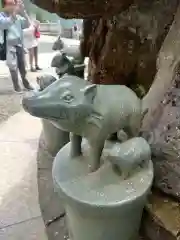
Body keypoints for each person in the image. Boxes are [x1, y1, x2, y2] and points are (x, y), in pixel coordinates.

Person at [0, 0, 33, 92]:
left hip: (20, 44)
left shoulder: (18, 17)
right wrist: (15, 12)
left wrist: (24, 12)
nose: (13, 6)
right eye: (10, 4)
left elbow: (28, 25)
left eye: (13, 4)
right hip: (9, 45)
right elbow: (5, 24)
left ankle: (26, 83)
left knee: (23, 67)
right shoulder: (1, 16)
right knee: (13, 67)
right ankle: (16, 86)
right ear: (4, 6)